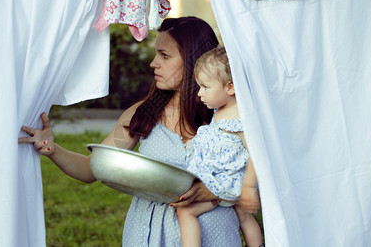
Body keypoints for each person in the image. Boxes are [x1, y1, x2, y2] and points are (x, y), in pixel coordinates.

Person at [18, 17, 248, 246]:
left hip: (214, 234)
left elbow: (259, 176)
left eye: (164, 55)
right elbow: (92, 168)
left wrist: (215, 192)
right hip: (147, 235)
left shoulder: (230, 114)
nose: (153, 63)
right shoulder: (142, 114)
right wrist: (52, 149)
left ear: (193, 61)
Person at [175, 48, 264, 247]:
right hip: (225, 178)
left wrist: (248, 187)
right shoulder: (220, 109)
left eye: (205, 87)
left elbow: (256, 153)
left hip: (229, 182)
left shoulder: (242, 116)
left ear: (230, 87)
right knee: (244, 216)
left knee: (185, 210)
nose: (199, 93)